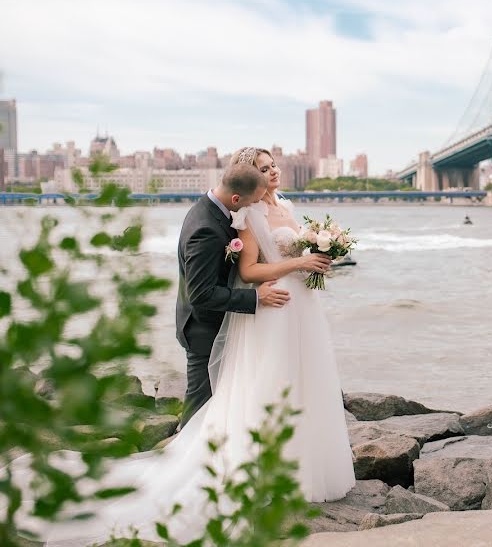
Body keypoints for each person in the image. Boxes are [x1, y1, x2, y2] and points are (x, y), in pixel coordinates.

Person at [11, 149, 355, 544]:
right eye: (262, 169)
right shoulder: (214, 224)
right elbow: (217, 286)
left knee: (287, 385)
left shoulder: (247, 209)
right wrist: (271, 286)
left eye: (271, 165)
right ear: (243, 189)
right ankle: (197, 469)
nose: (271, 174)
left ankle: (281, 463)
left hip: (289, 310)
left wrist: (317, 252)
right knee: (221, 397)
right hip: (215, 321)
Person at [176, 163, 288, 425]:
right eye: (253, 202)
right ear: (236, 198)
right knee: (199, 405)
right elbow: (201, 294)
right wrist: (255, 298)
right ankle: (186, 455)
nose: (254, 208)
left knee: (221, 402)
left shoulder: (212, 209)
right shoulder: (205, 229)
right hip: (203, 329)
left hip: (216, 323)